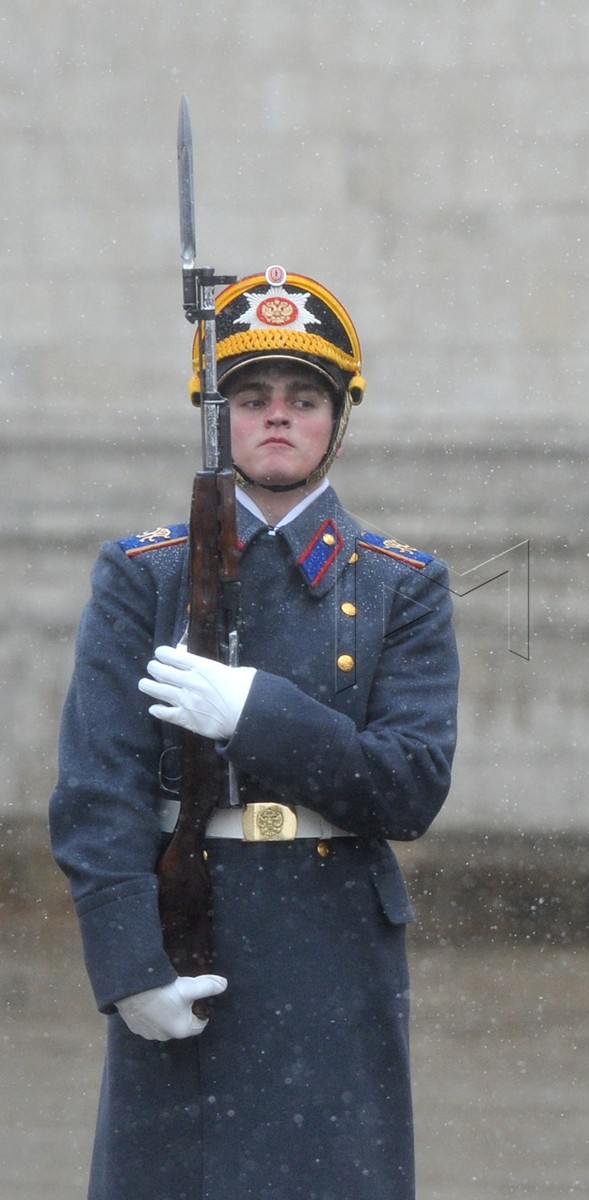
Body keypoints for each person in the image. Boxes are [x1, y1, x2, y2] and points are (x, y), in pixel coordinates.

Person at [49, 269, 460, 1200]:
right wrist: (128, 968)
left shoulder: (403, 584)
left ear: (339, 420)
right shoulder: (141, 576)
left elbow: (409, 784)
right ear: (215, 415)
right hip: (186, 935)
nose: (277, 417)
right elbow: (97, 789)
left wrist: (256, 714)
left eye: (304, 399)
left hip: (332, 948)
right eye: (250, 397)